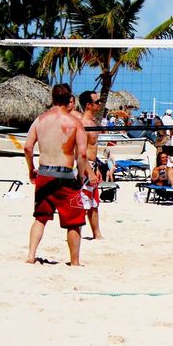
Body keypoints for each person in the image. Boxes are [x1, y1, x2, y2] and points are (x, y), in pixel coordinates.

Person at [24, 84, 88, 266]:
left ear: (52, 99)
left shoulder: (40, 120)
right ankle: (74, 261)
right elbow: (82, 154)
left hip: (44, 173)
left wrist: (31, 168)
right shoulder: (75, 123)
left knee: (40, 218)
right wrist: (81, 176)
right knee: (74, 222)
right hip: (65, 175)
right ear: (69, 101)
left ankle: (31, 255)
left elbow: (27, 147)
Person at [73, 91, 104, 240]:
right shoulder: (83, 125)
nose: (100, 104)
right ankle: (76, 233)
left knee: (94, 203)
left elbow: (93, 150)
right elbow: (80, 152)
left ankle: (96, 234)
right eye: (97, 102)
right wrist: (89, 172)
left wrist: (96, 168)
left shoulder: (93, 124)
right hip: (83, 166)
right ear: (88, 105)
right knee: (82, 202)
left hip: (92, 164)